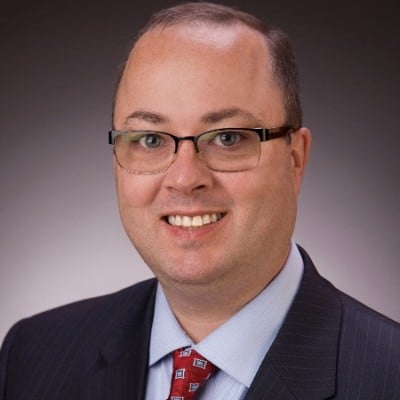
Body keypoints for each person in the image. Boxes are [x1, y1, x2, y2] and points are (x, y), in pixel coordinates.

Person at [0, 2, 399, 399]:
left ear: (295, 159)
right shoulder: (32, 356)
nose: (185, 178)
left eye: (228, 138)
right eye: (150, 140)